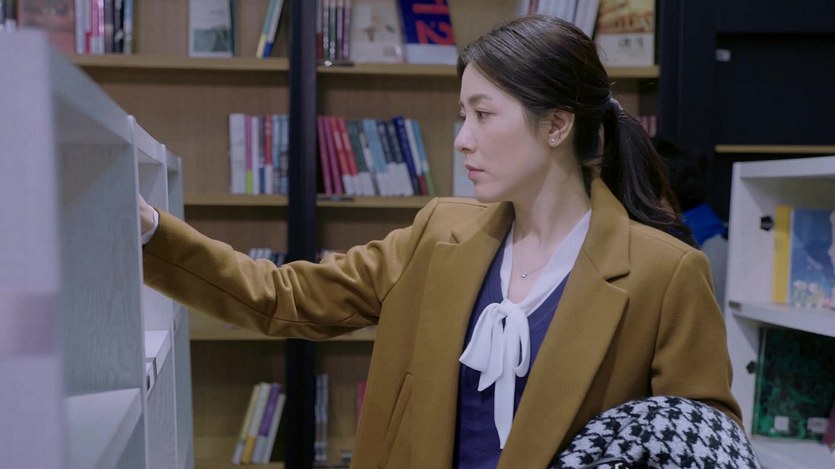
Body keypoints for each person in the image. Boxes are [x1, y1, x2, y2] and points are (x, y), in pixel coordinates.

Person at [139, 15, 742, 469]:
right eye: (462, 115)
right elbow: (282, 297)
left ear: (557, 124)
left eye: (483, 114)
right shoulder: (437, 234)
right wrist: (149, 232)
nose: (462, 139)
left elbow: (701, 442)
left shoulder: (666, 274)